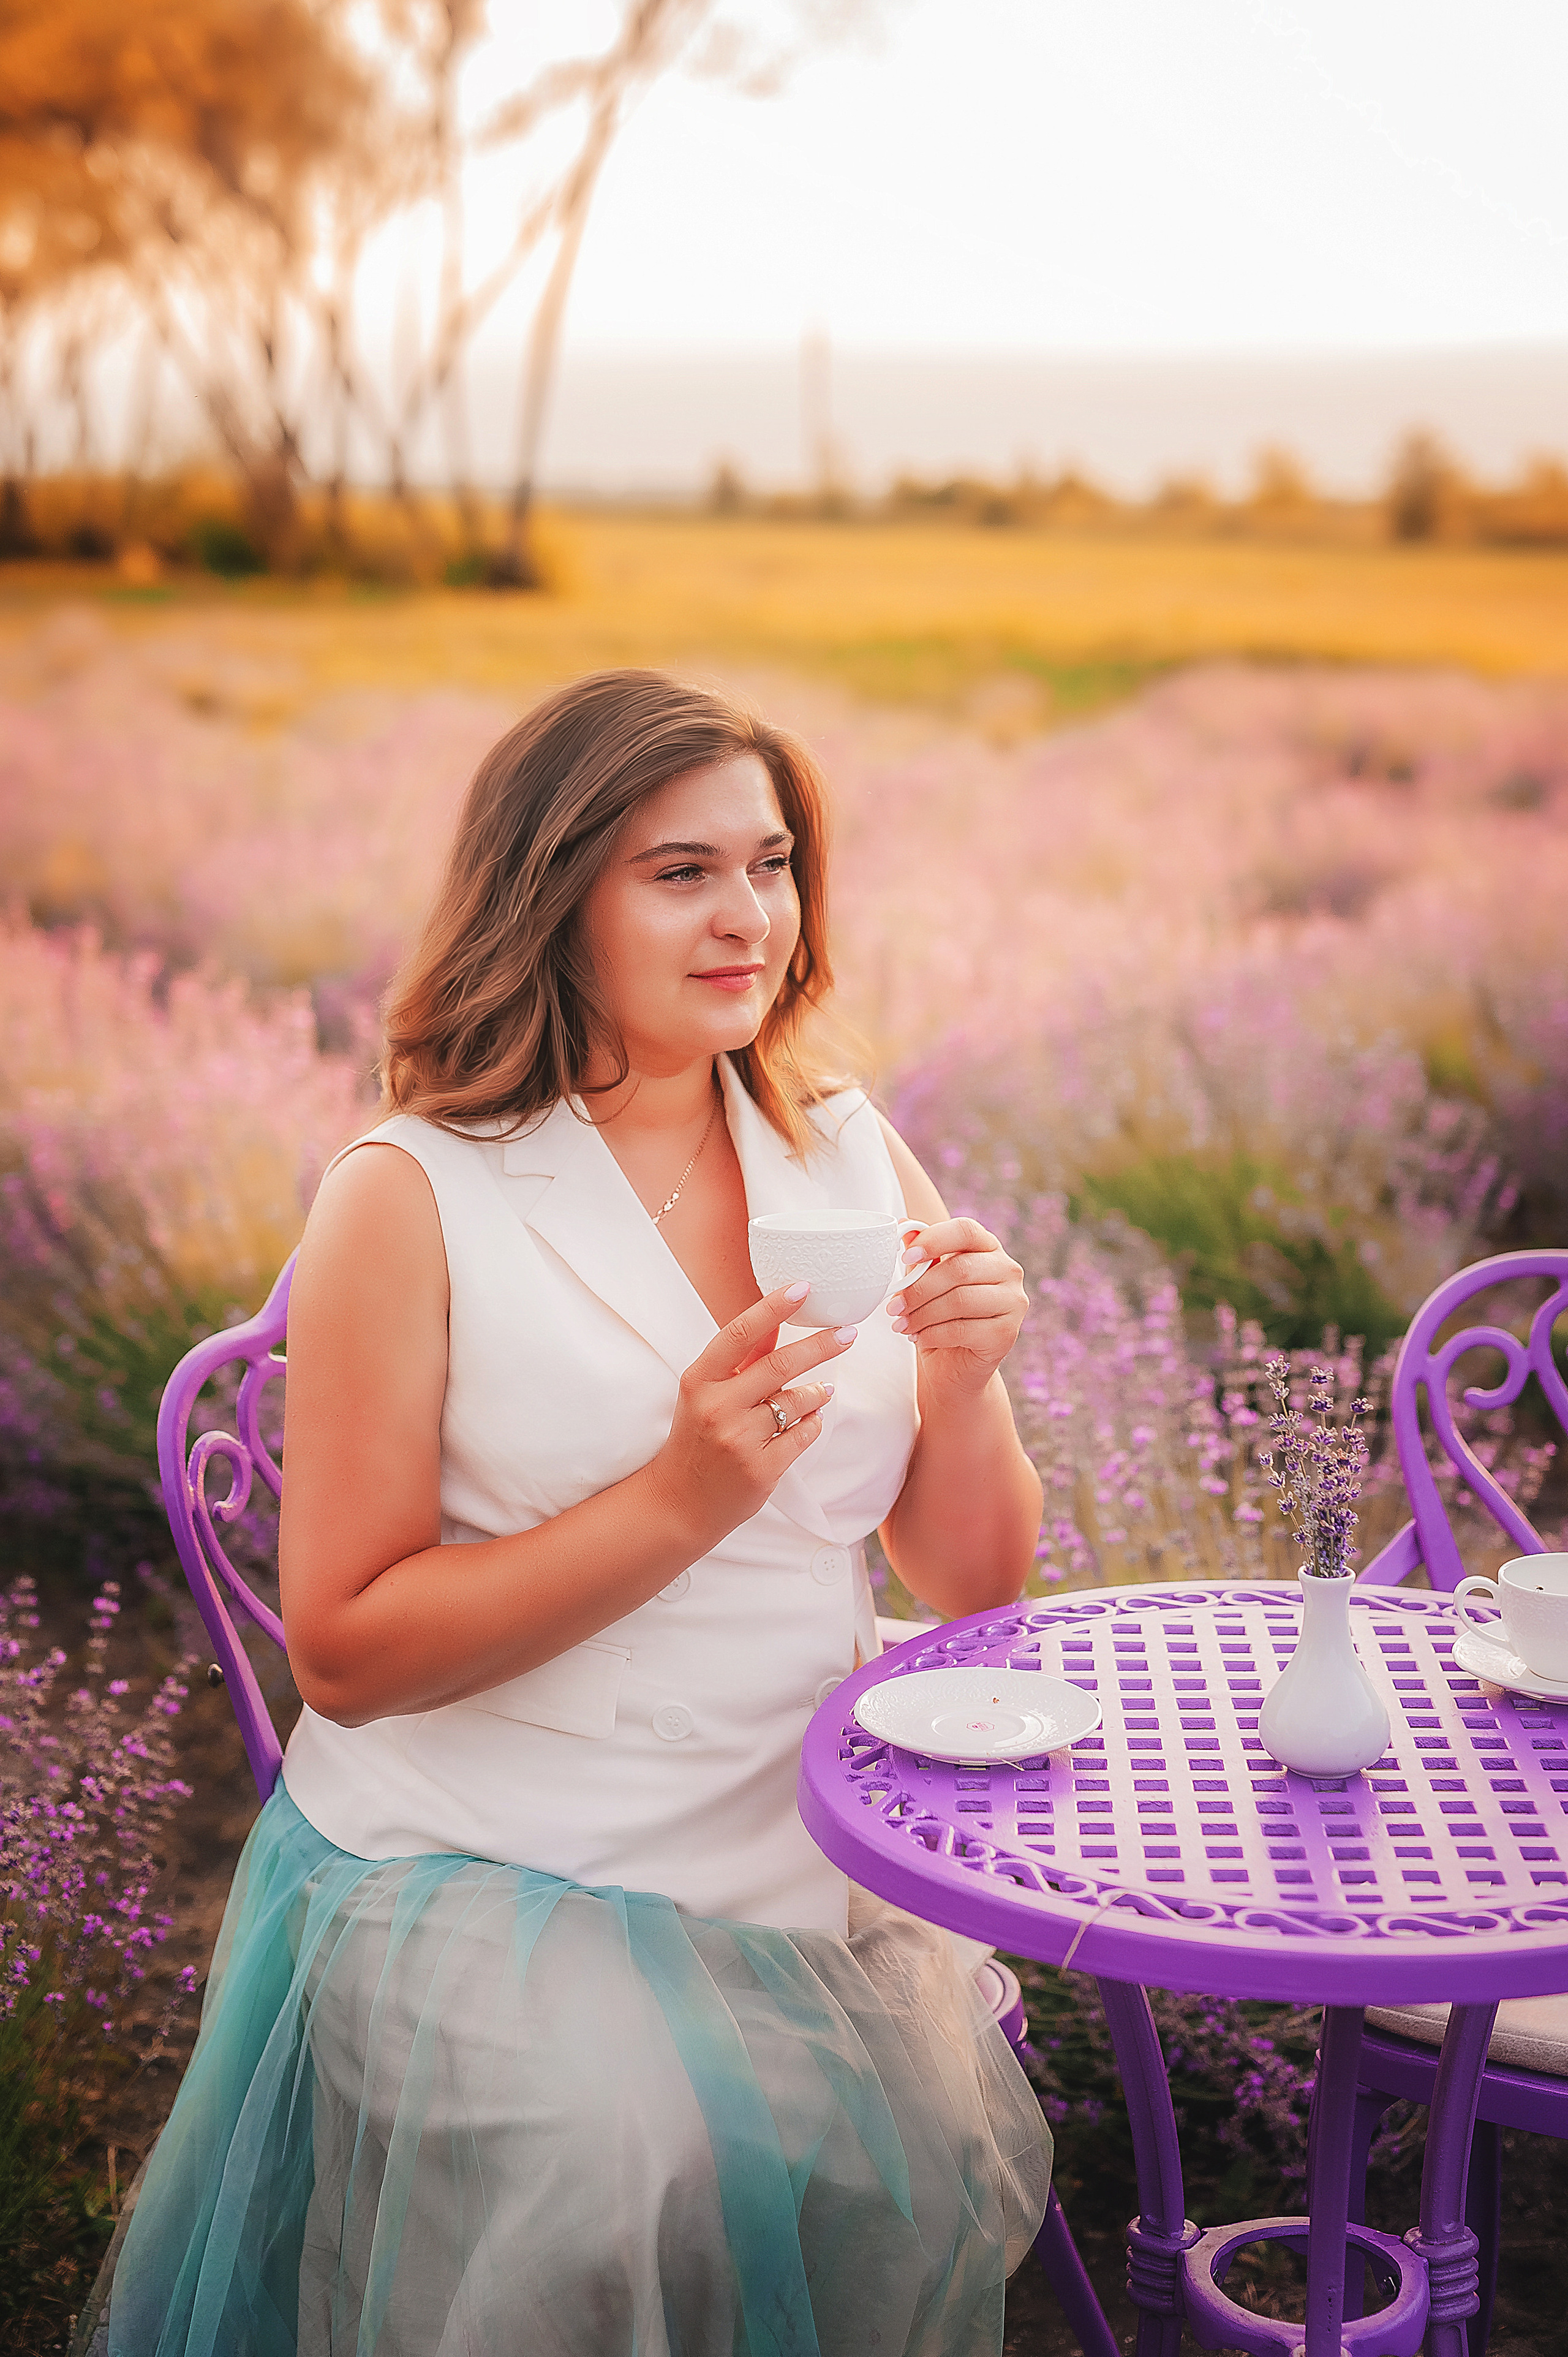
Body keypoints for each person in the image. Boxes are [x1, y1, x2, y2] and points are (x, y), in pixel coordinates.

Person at [111, 671, 1052, 2357]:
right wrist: (681, 1497)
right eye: (678, 872)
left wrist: (966, 1381)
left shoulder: (841, 1145)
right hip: (498, 1851)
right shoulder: (414, 1192)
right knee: (622, 2159)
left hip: (809, 1830)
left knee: (849, 2165)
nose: (746, 914)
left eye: (769, 865)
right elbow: (345, 1649)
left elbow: (969, 1579)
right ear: (551, 896)